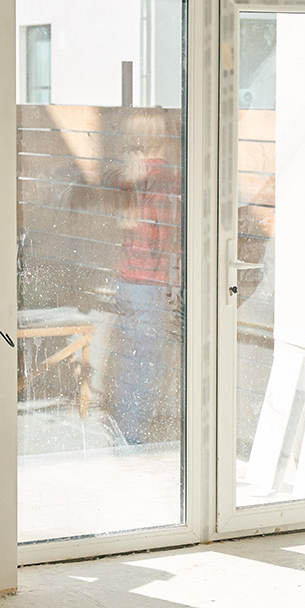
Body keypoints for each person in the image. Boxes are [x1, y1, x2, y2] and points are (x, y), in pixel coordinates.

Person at [106, 107, 184, 445]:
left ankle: (125, 430)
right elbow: (163, 236)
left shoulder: (130, 174)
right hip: (149, 284)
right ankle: (133, 439)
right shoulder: (166, 177)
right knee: (145, 367)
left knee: (130, 364)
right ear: (164, 138)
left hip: (126, 282)